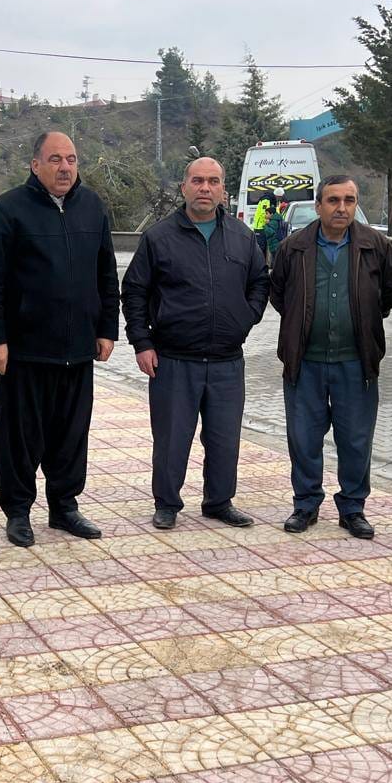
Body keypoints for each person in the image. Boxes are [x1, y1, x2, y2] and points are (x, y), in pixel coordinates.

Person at [0, 131, 119, 547]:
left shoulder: (92, 206)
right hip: (25, 351)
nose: (65, 167)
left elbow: (106, 272)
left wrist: (107, 328)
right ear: (35, 164)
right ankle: (18, 511)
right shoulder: (9, 209)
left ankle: (64, 506)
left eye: (71, 159)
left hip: (78, 350)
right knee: (19, 437)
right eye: (55, 159)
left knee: (71, 435)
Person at [122, 156, 268, 531]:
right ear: (184, 187)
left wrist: (246, 316)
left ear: (223, 190)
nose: (205, 188)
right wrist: (142, 342)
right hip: (174, 360)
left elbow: (259, 282)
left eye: (213, 181)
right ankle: (167, 503)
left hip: (226, 361)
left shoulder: (242, 237)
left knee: (224, 440)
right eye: (198, 181)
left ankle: (219, 502)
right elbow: (134, 291)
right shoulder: (158, 238)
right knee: (171, 439)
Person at [270, 175, 392, 539]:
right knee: (303, 438)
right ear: (318, 205)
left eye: (349, 200)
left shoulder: (376, 245)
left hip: (356, 362)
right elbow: (279, 294)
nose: (341, 208)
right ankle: (306, 504)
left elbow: (389, 293)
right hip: (305, 362)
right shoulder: (293, 247)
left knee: (356, 439)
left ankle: (353, 508)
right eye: (333, 200)